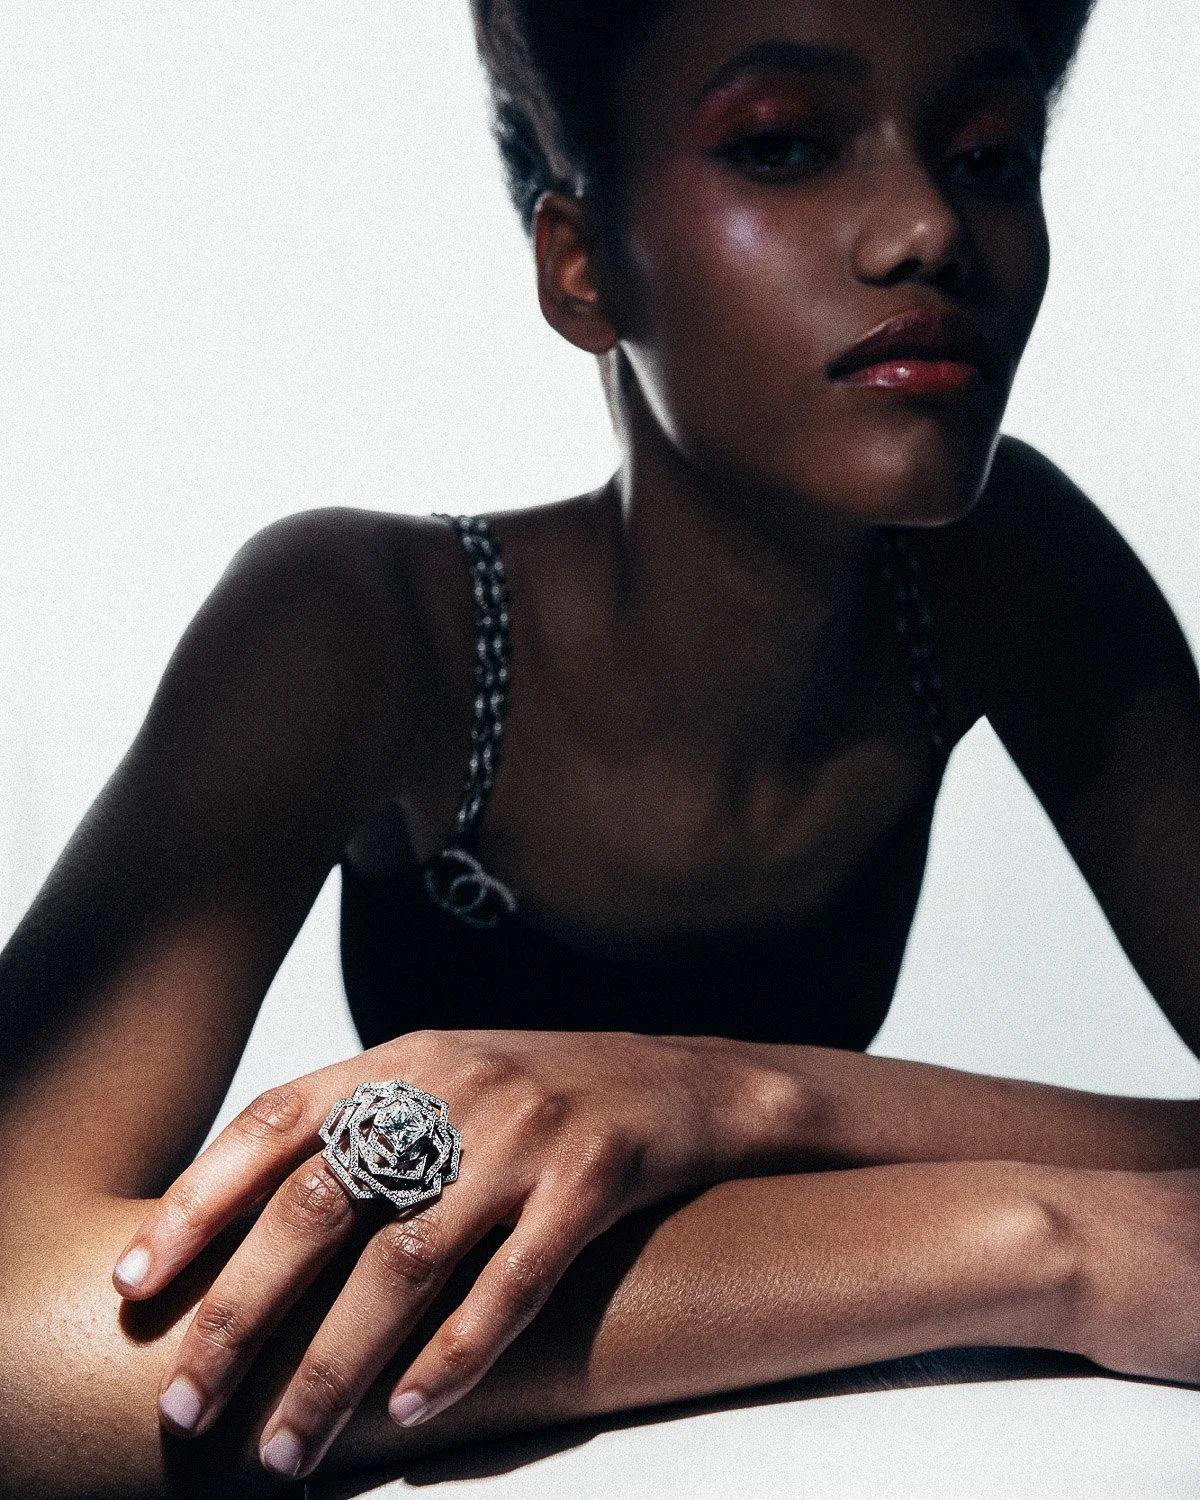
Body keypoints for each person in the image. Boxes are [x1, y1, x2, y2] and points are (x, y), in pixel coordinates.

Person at [3, 0, 1200, 1494]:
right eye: (781, 144)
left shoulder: (1012, 576)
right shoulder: (362, 627)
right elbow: (13, 1336)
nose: (925, 228)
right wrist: (1048, 1246)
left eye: (990, 152)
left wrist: (736, 1097)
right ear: (584, 267)